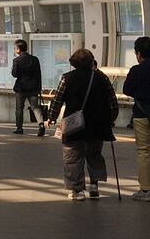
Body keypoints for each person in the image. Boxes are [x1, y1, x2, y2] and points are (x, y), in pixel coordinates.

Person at [47, 48, 118, 200]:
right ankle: (94, 186)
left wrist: (51, 117)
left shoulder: (67, 78)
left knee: (72, 157)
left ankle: (77, 190)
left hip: (73, 124)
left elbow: (57, 100)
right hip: (97, 124)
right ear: (91, 61)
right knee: (94, 154)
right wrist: (111, 119)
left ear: (74, 63)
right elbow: (112, 101)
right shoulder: (102, 78)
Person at [122, 36, 150, 202]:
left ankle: (146, 189)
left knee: (144, 151)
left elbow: (126, 89)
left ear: (139, 53)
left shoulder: (137, 70)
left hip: (142, 114)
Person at [11, 39, 46, 136]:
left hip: (21, 88)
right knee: (35, 107)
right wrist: (39, 87)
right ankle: (41, 124)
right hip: (33, 88)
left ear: (18, 49)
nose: (14, 50)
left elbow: (14, 74)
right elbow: (38, 74)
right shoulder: (35, 59)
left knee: (19, 108)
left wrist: (14, 68)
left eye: (15, 48)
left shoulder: (16, 60)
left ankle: (19, 128)